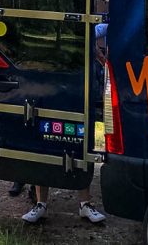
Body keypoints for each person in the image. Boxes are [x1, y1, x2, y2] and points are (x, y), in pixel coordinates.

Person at [21, 21, 108, 225]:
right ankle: (40, 204)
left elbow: (93, 40)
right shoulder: (46, 27)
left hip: (76, 91)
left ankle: (85, 204)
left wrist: (97, 55)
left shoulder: (84, 22)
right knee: (45, 146)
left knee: (79, 145)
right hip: (52, 90)